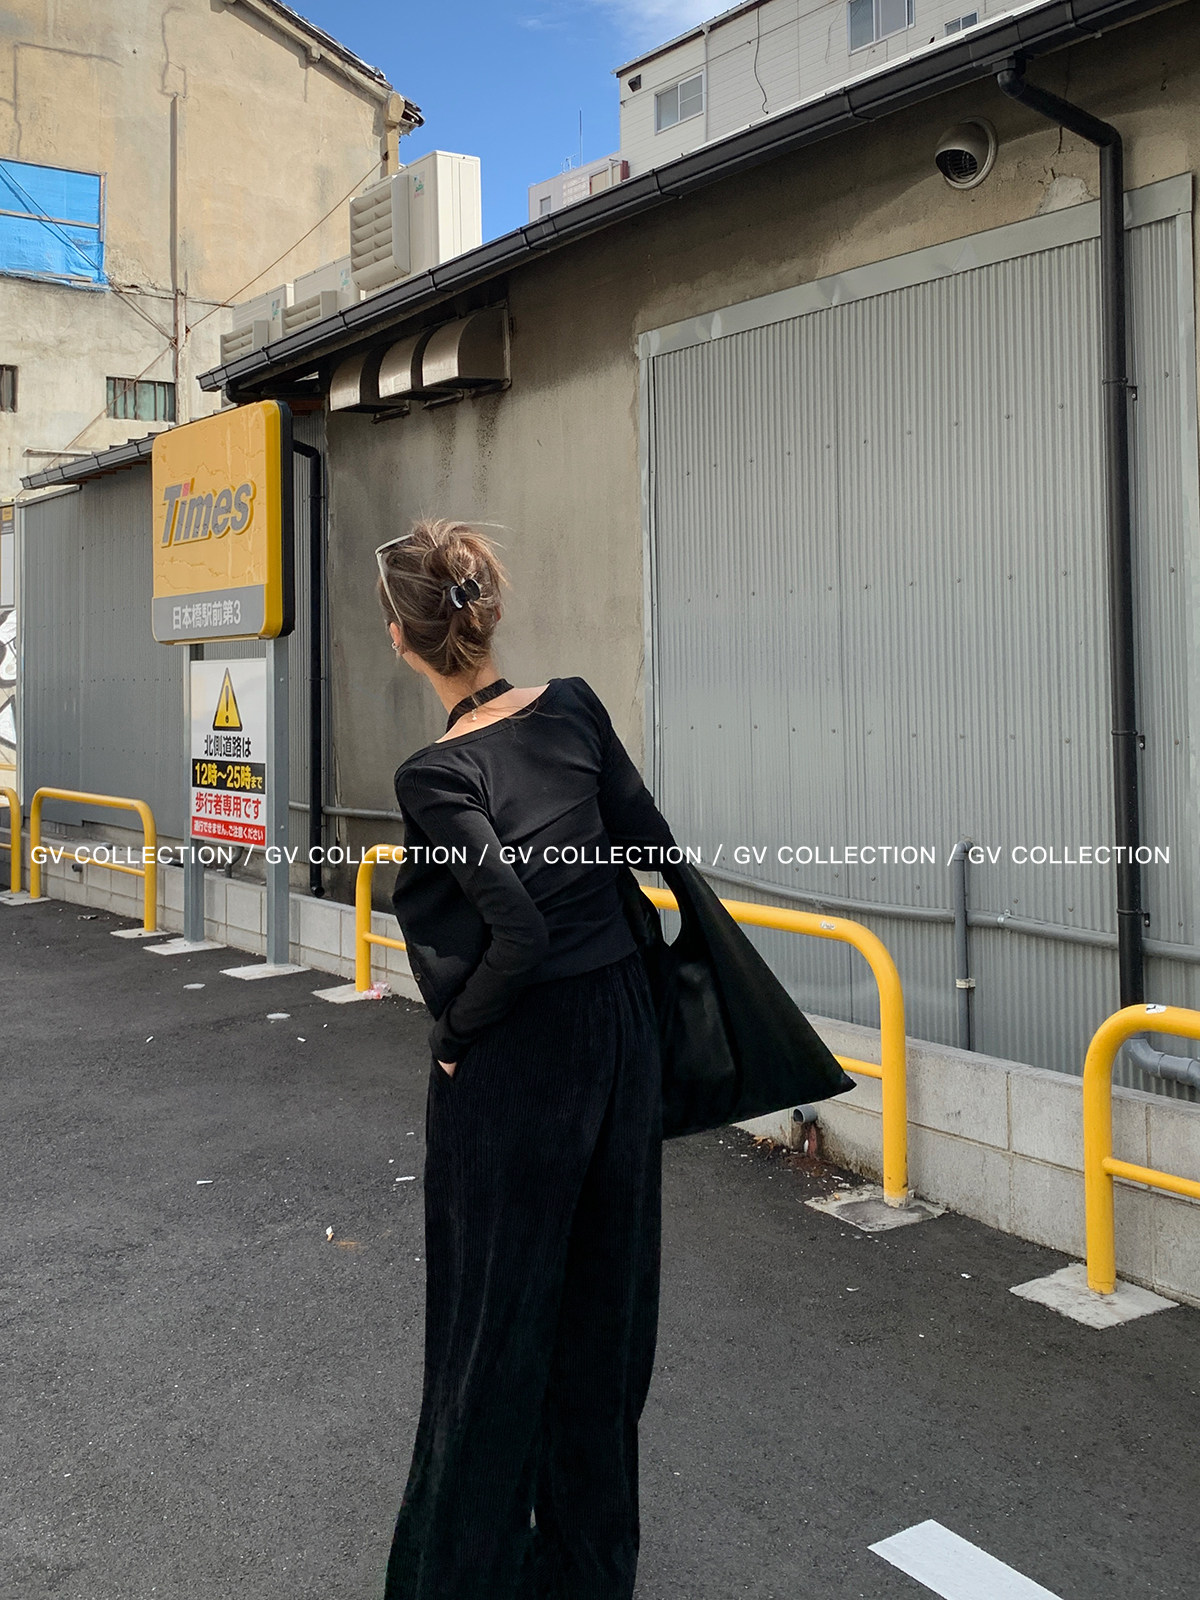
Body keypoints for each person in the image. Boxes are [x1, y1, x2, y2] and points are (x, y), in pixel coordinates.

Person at [375, 518, 680, 1600]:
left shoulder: (435, 772)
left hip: (519, 1059)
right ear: (488, 609)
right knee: (605, 1321)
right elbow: (650, 847)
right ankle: (587, 1574)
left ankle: (460, 1578)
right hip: (620, 1035)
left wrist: (455, 1040)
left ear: (401, 638)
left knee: (491, 1329)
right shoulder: (578, 707)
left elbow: (515, 927)